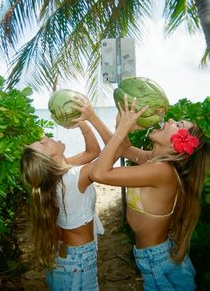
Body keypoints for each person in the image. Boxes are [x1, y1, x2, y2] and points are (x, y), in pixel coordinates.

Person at [72, 95, 207, 291]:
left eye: (178, 124)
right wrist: (93, 118)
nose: (170, 120)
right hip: (156, 259)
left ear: (180, 146)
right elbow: (124, 148)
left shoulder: (162, 171)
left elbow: (99, 173)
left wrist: (123, 129)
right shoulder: (154, 162)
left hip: (160, 264)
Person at [20, 120, 104, 291]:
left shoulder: (56, 174)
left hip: (65, 258)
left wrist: (83, 124)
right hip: (77, 261)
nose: (45, 137)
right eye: (43, 144)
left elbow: (93, 152)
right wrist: (122, 125)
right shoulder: (74, 176)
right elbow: (112, 154)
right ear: (51, 158)